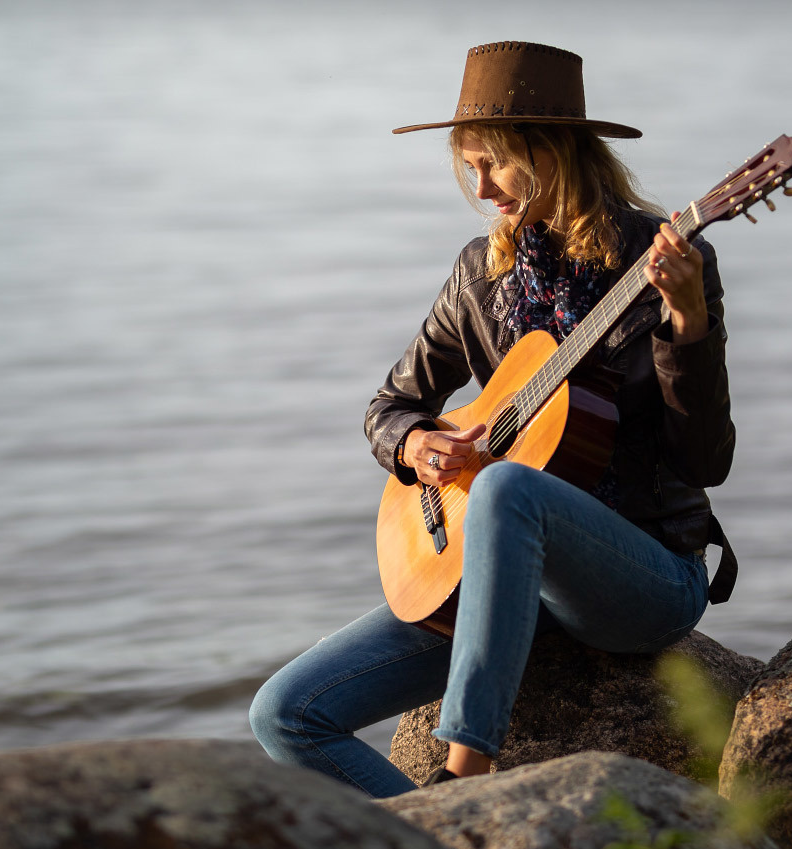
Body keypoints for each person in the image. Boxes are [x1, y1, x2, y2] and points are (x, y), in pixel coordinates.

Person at [250, 40, 735, 798]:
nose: (481, 188)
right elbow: (391, 406)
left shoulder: (658, 259)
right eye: (468, 164)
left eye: (497, 163)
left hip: (647, 575)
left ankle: (466, 777)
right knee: (285, 713)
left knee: (509, 487)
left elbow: (707, 460)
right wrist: (416, 445)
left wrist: (689, 323)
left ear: (557, 152)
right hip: (509, 584)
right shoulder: (480, 273)